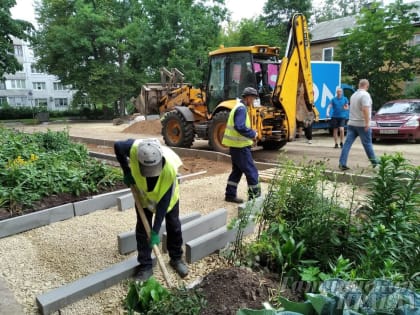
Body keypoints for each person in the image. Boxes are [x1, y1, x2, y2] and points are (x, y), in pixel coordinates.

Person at [114, 138, 188, 281]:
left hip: (168, 197)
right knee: (142, 228)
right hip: (143, 195)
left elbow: (163, 205)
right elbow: (117, 145)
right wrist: (126, 171)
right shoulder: (132, 149)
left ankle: (176, 258)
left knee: (173, 225)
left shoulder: (169, 170)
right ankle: (145, 265)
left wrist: (155, 230)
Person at [222, 87, 261, 203]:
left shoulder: (238, 107)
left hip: (236, 146)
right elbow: (239, 126)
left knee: (237, 171)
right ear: (248, 98)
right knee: (251, 171)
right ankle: (255, 199)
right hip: (241, 147)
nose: (253, 101)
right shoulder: (241, 109)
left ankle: (230, 194)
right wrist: (253, 133)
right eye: (253, 99)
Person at [339, 79, 378, 171]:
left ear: (359, 85)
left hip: (351, 123)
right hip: (362, 124)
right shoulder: (365, 95)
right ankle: (375, 163)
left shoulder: (353, 95)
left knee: (347, 144)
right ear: (367, 86)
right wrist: (367, 123)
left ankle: (342, 163)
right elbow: (365, 109)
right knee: (367, 144)